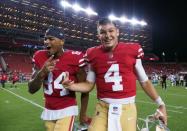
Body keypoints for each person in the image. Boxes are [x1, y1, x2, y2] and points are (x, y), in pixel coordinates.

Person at [62, 18, 167, 131]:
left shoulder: (132, 50)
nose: (107, 35)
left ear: (117, 31)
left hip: (126, 107)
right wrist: (71, 86)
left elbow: (145, 81)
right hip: (102, 107)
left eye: (111, 31)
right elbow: (88, 84)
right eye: (102, 32)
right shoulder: (92, 54)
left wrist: (161, 104)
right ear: (98, 36)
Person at [28, 26, 90, 131]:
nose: (46, 41)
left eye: (51, 39)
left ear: (62, 41)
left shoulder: (75, 57)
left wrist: (83, 114)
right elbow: (31, 89)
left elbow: (85, 89)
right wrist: (42, 72)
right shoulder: (39, 56)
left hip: (67, 109)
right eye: (45, 39)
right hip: (49, 109)